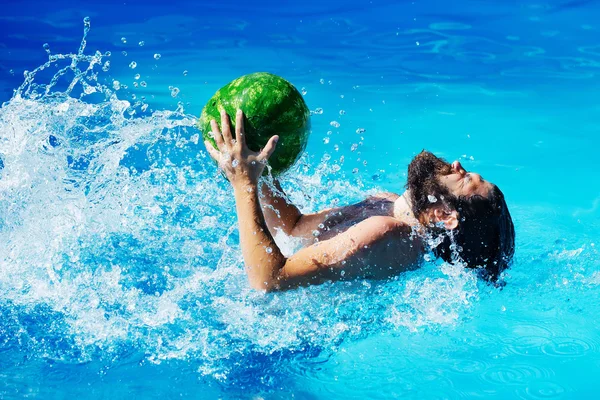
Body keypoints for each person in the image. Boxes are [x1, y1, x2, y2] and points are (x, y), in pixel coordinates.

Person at [204, 110, 515, 292]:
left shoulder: (389, 234)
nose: (458, 164)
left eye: (465, 178)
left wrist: (243, 182)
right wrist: (263, 167)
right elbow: (295, 226)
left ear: (445, 215)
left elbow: (268, 280)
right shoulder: (386, 203)